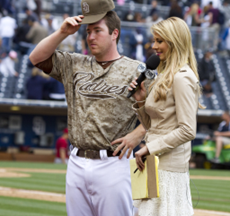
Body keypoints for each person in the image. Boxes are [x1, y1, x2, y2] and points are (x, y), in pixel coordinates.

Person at [29, 0, 146, 215]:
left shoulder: (136, 70)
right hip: (76, 161)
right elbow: (36, 58)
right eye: (88, 31)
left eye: (97, 31)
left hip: (115, 163)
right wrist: (63, 32)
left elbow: (166, 112)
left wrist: (138, 133)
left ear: (114, 34)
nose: (90, 37)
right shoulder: (74, 63)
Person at [128, 17, 203, 216]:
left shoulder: (183, 77)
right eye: (154, 40)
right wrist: (141, 101)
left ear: (175, 42)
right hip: (154, 166)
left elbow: (188, 130)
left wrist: (149, 148)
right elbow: (152, 126)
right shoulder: (163, 75)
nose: (154, 46)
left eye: (159, 41)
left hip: (168, 171)